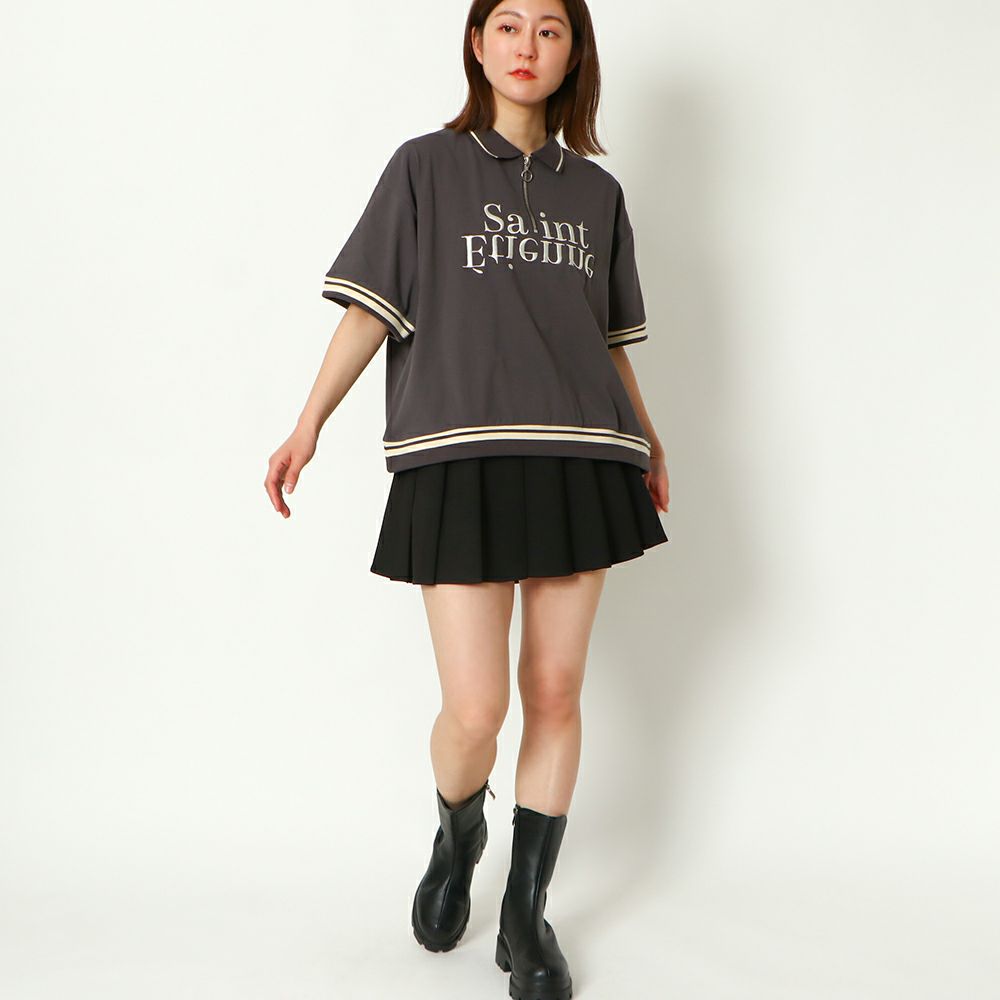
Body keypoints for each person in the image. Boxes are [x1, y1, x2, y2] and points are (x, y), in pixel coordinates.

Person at [265, 1, 670, 997]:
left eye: (550, 29)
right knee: (478, 707)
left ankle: (525, 914)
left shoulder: (598, 194)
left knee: (555, 691)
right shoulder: (424, 167)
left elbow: (606, 341)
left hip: (583, 453)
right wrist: (309, 421)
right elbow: (369, 310)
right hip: (458, 454)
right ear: (478, 45)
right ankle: (458, 833)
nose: (528, 46)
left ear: (574, 53)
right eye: (509, 26)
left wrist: (650, 439)